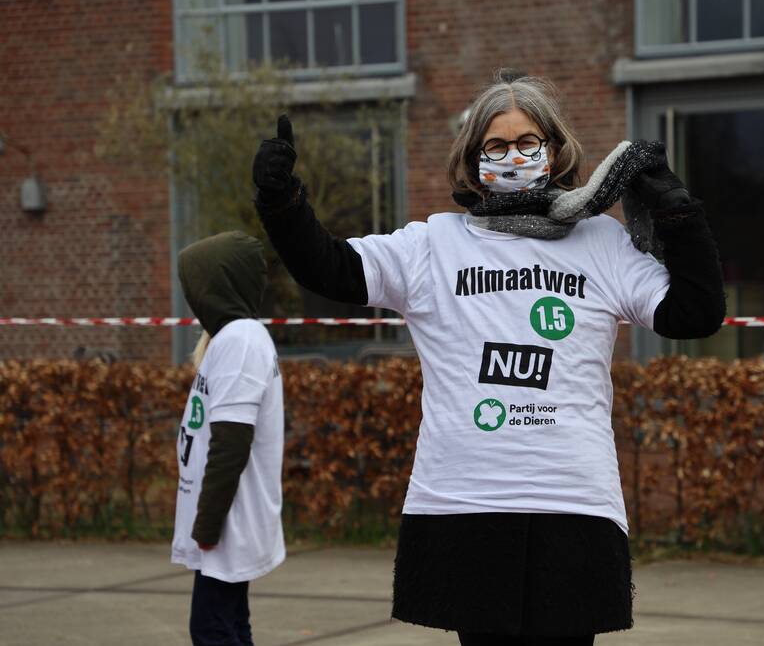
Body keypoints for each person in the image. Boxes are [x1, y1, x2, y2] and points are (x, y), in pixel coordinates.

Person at [251, 71, 725, 645]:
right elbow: (329, 267)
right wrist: (281, 203)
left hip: (573, 505)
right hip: (465, 503)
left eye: (529, 143)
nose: (514, 156)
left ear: (555, 150)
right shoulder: (433, 244)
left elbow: (695, 313)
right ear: (473, 159)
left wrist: (679, 212)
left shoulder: (600, 242)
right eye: (495, 146)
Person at [172, 231, 286, 646]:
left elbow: (230, 444)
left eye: (195, 286)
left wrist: (207, 524)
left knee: (212, 629)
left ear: (217, 286)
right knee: (232, 626)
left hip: (227, 523)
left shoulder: (240, 341)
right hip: (225, 523)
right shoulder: (231, 340)